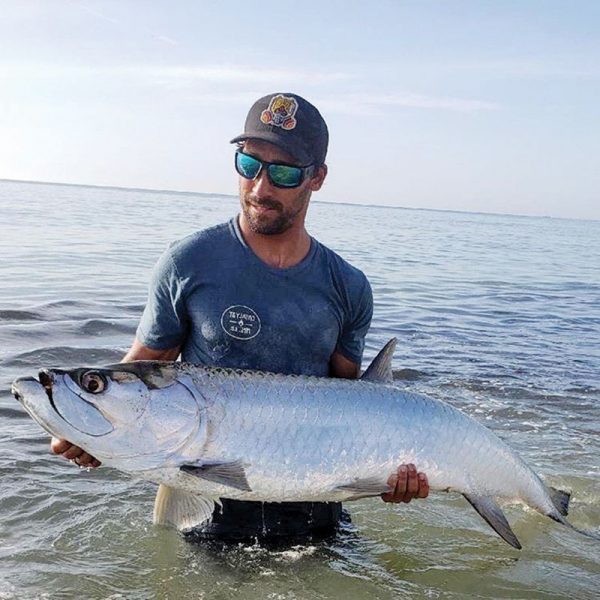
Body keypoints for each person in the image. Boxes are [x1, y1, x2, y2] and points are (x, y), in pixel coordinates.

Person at [51, 92, 429, 541]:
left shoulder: (348, 285)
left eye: (285, 172)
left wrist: (384, 470)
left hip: (315, 501)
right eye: (249, 165)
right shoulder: (189, 262)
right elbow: (138, 371)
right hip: (207, 496)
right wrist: (95, 427)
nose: (260, 188)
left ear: (318, 178)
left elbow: (352, 401)